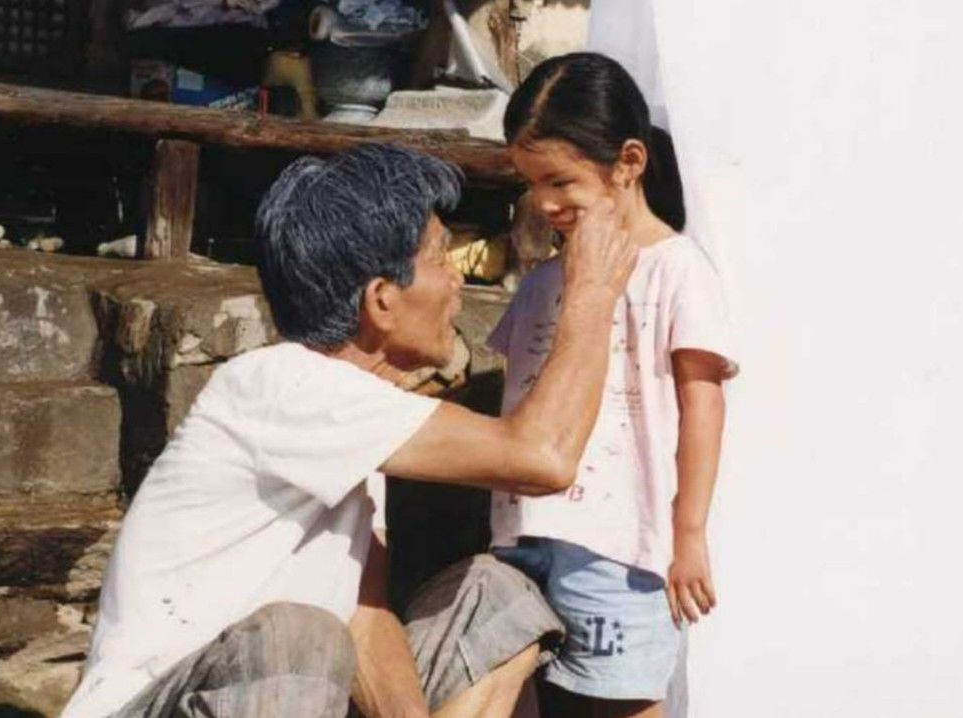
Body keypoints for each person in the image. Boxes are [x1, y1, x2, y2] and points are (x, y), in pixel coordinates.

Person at [59, 143, 641, 718]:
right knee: (298, 636)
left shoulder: (364, 421)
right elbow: (543, 457)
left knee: (496, 594)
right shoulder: (281, 384)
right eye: (441, 257)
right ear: (382, 301)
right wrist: (590, 292)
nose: (456, 281)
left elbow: (363, 616)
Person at [488, 52, 738, 718]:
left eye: (560, 181)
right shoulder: (542, 283)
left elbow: (703, 408)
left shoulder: (677, 272)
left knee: (624, 703)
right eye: (531, 183)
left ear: (629, 162)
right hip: (525, 534)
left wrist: (689, 534)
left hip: (621, 546)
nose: (544, 203)